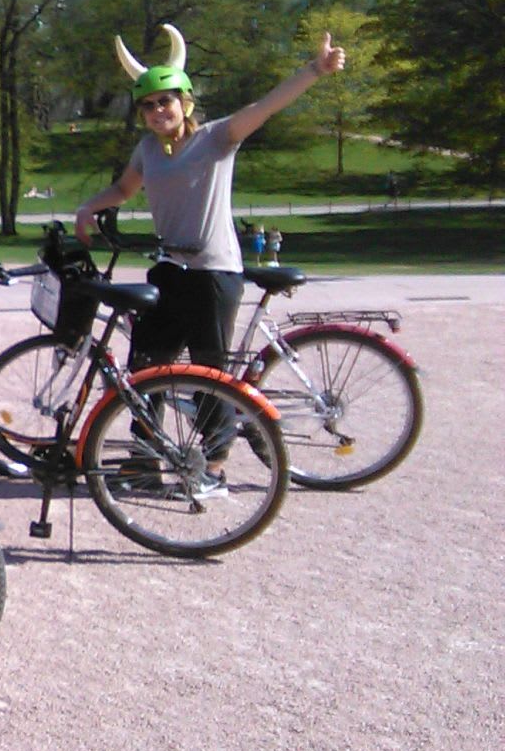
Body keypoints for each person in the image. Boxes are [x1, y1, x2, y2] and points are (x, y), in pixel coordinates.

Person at [74, 25, 346, 479]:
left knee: (209, 373)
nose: (158, 110)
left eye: (166, 100)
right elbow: (124, 188)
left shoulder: (217, 138)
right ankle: (145, 457)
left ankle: (214, 461)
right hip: (169, 271)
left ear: (186, 102)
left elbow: (266, 106)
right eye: (148, 104)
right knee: (145, 367)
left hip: (213, 273)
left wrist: (314, 70)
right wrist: (87, 207)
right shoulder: (147, 149)